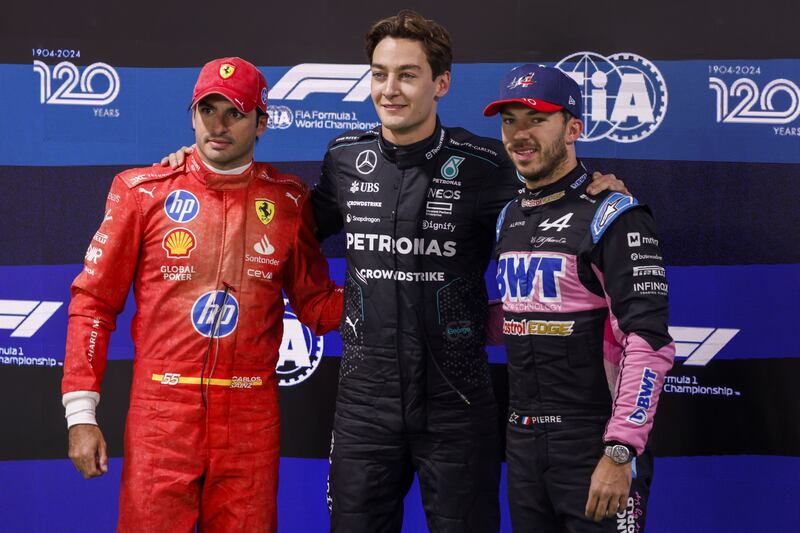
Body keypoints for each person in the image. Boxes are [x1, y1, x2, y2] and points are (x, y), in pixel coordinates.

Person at [162, 13, 625, 532]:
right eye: (379, 74)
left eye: (407, 75)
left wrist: (596, 191)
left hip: (457, 403)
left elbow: (551, 200)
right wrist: (197, 173)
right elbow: (287, 224)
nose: (389, 89)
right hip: (364, 406)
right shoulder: (345, 157)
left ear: (441, 83)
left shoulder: (485, 163)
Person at [62, 56, 343, 532]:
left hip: (250, 421)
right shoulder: (142, 192)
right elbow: (93, 304)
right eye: (207, 110)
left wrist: (387, 289)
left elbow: (317, 305)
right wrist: (80, 414)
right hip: (161, 416)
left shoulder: (288, 201)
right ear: (191, 114)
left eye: (235, 112)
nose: (218, 124)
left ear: (261, 123)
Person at [485, 64, 675, 532]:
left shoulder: (614, 214)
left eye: (536, 119)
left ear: (573, 129)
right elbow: (524, 316)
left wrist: (620, 450)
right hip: (523, 443)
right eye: (509, 120)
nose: (519, 134)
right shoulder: (509, 216)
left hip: (594, 442)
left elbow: (648, 340)